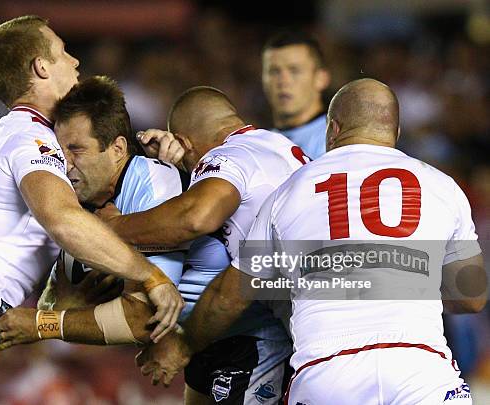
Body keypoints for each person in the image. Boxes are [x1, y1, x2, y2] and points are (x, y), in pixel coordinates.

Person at [0, 16, 183, 404]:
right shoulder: (32, 135)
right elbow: (60, 218)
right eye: (63, 51)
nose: (75, 62)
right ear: (41, 66)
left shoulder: (21, 134)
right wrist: (150, 275)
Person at [136, 79, 487, 404]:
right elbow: (471, 298)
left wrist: (181, 345)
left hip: (327, 372)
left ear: (332, 130)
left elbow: (230, 297)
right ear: (394, 131)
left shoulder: (290, 191)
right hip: (419, 370)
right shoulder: (443, 186)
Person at [96, 86, 308, 404]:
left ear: (185, 143)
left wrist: (113, 227)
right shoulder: (280, 146)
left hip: (296, 331)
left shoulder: (229, 156)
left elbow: (195, 217)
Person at [0, 75, 188, 349]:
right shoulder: (74, 201)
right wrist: (64, 314)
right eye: (58, 151)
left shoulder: (154, 183)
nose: (63, 163)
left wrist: (43, 324)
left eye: (76, 150)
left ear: (117, 149)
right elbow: (53, 303)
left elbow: (143, 320)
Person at [262, 30, 330, 159]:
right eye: (274, 71)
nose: (283, 81)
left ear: (321, 78)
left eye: (294, 71)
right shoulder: (259, 144)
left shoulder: (337, 140)